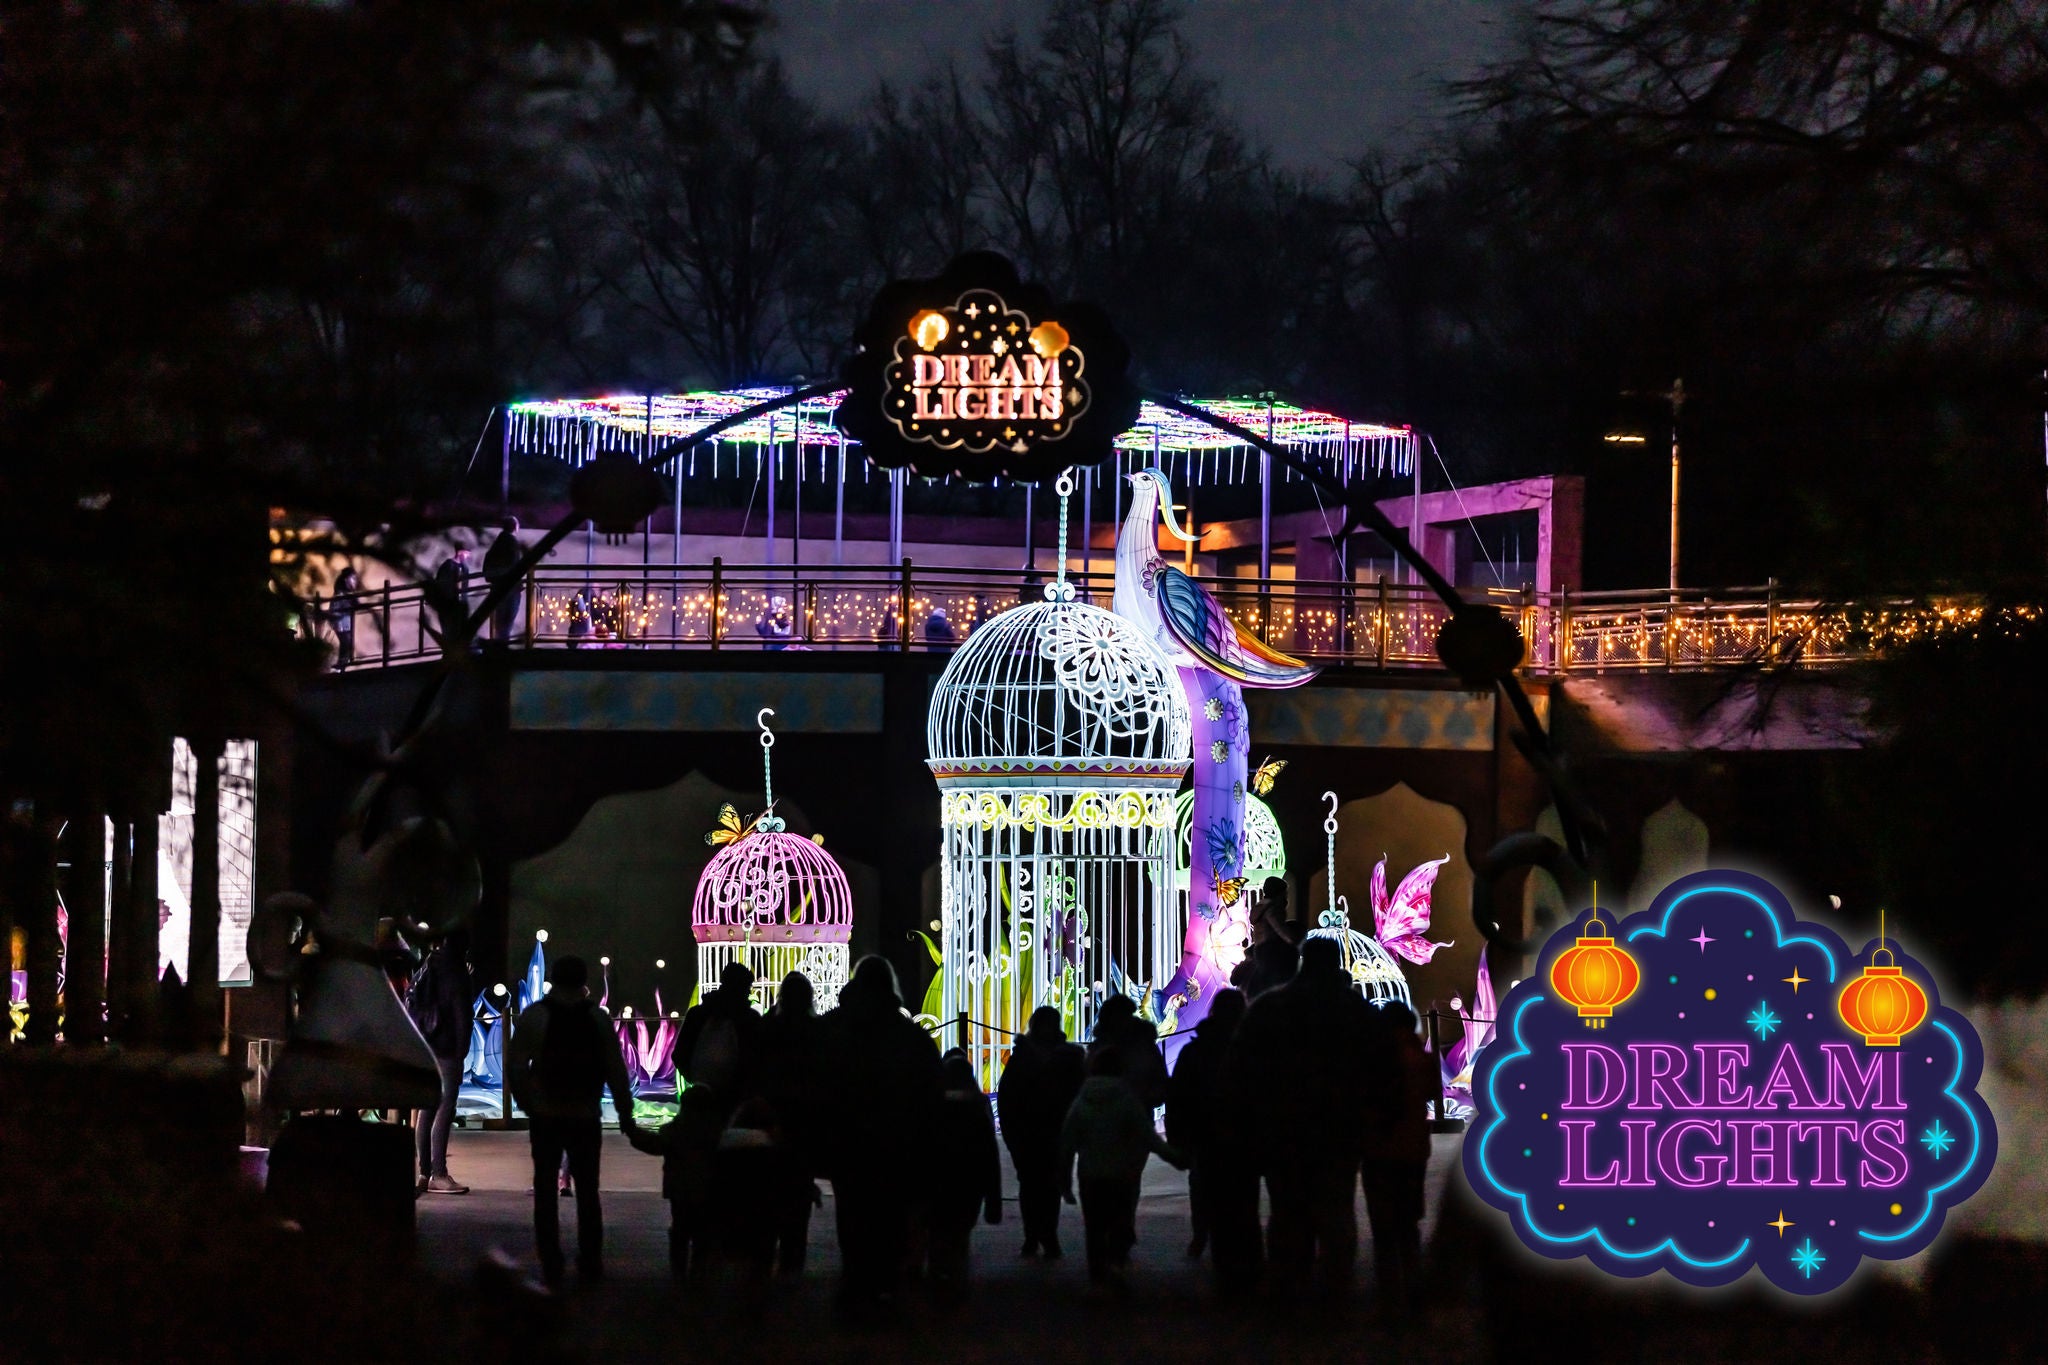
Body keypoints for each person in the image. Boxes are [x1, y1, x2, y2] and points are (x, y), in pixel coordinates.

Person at [1223, 936, 1376, 1300]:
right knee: (1337, 1210)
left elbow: (1239, 1070)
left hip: (1281, 1128)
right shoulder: (1355, 1010)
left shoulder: (1269, 1007)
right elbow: (1378, 1069)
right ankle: (1336, 1291)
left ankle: (1289, 1286)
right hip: (1339, 1130)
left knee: (1287, 1210)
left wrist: (1246, 1123)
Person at [816, 955, 943, 1321]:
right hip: (897, 1140)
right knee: (890, 1215)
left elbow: (821, 1083)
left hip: (849, 1139)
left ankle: (855, 1280)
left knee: (852, 1213)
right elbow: (931, 1091)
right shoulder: (910, 1036)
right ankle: (885, 1284)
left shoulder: (837, 1029)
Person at [505, 955, 639, 1283]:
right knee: (588, 1191)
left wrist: (528, 1104)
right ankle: (590, 1261)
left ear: (553, 978)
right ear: (583, 981)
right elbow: (615, 1068)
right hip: (585, 1114)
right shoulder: (597, 1018)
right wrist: (624, 1111)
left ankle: (551, 1261)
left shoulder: (535, 1016)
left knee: (545, 1190)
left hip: (546, 1115)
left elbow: (517, 1065)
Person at [667, 961, 765, 1280]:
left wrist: (699, 1083)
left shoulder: (698, 1014)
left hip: (700, 1103)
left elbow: (679, 1055)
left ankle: (688, 1246)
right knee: (730, 1174)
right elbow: (756, 1064)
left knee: (695, 1167)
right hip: (733, 1108)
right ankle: (721, 1241)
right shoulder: (750, 1019)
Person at [1059, 1048, 1182, 1291]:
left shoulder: (1082, 1100)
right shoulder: (1127, 1099)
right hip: (1122, 1174)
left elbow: (1067, 1143)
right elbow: (1148, 1136)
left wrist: (1064, 1182)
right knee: (1119, 1224)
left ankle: (1097, 1279)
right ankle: (1115, 1267)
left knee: (1094, 1228)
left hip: (1090, 1175)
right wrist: (1175, 1157)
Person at [1362, 1002, 1434, 1321]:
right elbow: (1432, 1092)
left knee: (1383, 1228)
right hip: (1413, 1150)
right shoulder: (1423, 1058)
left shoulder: (1373, 1058)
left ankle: (1389, 1298)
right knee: (1408, 1226)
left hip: (1378, 1151)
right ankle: (1416, 1293)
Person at [1164, 987, 1247, 1261]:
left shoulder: (1194, 1050)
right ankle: (1235, 1247)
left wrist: (1177, 1138)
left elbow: (1178, 1096)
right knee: (1238, 1192)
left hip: (1203, 1131)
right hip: (1239, 1133)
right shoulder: (1250, 1049)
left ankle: (1201, 1235)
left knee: (1202, 1187)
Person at [996, 1006, 1086, 1259]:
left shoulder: (1022, 1057)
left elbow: (1008, 1097)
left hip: (1033, 1131)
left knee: (1036, 1185)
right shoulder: (1067, 1058)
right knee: (1045, 1185)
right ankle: (1043, 1235)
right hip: (1048, 1130)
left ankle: (1036, 1236)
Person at [758, 972, 824, 1275]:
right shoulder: (815, 1031)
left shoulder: (769, 1028)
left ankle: (764, 1256)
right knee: (798, 1193)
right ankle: (792, 1262)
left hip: (771, 1117)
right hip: (806, 1121)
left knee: (769, 1190)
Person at [926, 1049, 1001, 1303]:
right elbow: (989, 1154)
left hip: (937, 1178)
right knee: (959, 1233)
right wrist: (993, 1200)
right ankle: (956, 1279)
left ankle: (938, 1275)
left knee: (937, 1231)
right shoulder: (978, 1106)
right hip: (969, 1181)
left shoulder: (932, 1106)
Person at [405, 932, 475, 1195]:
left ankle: (423, 1173)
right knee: (445, 1109)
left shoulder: (428, 964)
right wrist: (462, 1049)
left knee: (428, 1108)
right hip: (447, 1047)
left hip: (425, 1043)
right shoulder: (456, 971)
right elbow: (461, 1013)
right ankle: (439, 1173)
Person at [1086, 993, 1168, 1110]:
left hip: (1107, 1113)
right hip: (1139, 1109)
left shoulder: (1099, 1046)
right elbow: (1158, 1078)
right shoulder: (1144, 1044)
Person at [482, 517, 523, 643]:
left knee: (499, 621)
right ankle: (501, 647)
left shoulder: (497, 542)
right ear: (514, 527)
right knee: (507, 620)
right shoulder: (511, 543)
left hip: (497, 586)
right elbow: (515, 565)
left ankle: (499, 645)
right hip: (509, 588)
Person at [330, 568, 359, 669]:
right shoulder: (340, 593)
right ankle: (340, 668)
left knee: (346, 645)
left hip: (345, 622)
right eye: (353, 579)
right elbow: (335, 609)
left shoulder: (349, 593)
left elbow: (358, 605)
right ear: (346, 579)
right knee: (346, 644)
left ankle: (341, 668)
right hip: (340, 622)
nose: (355, 581)